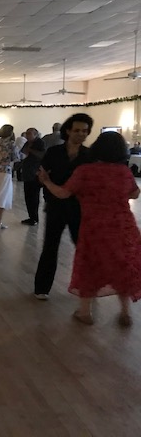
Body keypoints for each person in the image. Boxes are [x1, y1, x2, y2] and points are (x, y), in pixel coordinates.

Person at [38, 131, 141, 326]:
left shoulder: (85, 171)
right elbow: (135, 194)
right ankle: (125, 312)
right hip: (123, 226)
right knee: (123, 266)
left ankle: (85, 312)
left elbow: (63, 193)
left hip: (95, 227)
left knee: (89, 265)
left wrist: (46, 181)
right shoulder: (123, 172)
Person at [33, 113, 93, 300]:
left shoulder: (89, 155)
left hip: (80, 208)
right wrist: (47, 184)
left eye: (84, 131)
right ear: (68, 131)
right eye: (77, 130)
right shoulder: (54, 152)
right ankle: (42, 288)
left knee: (83, 249)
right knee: (50, 247)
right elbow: (42, 175)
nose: (81, 134)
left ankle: (89, 287)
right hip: (56, 205)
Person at [19, 128, 46, 225]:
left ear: (35, 134)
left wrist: (31, 150)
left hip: (35, 173)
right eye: (26, 133)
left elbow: (42, 155)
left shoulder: (40, 143)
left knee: (34, 197)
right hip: (27, 173)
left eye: (29, 134)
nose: (27, 135)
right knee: (28, 196)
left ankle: (34, 218)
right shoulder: (27, 143)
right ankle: (31, 217)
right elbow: (23, 152)